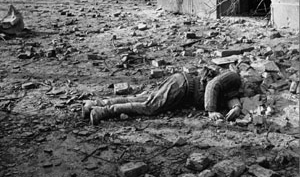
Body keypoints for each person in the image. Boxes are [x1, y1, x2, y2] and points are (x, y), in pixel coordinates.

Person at [82, 70, 242, 125]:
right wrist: (211, 111)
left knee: (144, 100)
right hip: (183, 86)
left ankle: (94, 105)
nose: (252, 91)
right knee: (149, 107)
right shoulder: (235, 77)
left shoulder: (235, 87)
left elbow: (229, 96)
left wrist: (236, 107)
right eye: (253, 88)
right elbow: (213, 85)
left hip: (181, 88)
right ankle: (102, 112)